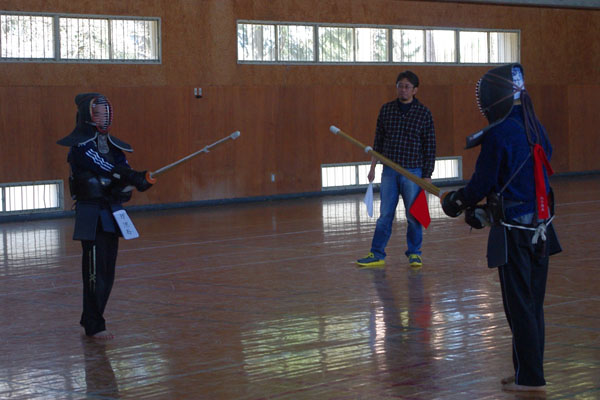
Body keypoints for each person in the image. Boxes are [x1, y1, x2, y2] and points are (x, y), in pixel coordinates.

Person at [441, 64, 561, 393]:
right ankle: (526, 369)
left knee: (519, 306)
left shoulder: (500, 133)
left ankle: (530, 378)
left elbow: (483, 181)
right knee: (532, 304)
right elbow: (540, 161)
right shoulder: (534, 125)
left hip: (515, 232)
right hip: (542, 227)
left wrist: (457, 200)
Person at [58, 93, 153, 340]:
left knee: (107, 272)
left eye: (105, 112)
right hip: (91, 214)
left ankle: (91, 317)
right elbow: (104, 166)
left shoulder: (114, 148)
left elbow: (122, 171)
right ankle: (94, 323)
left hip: (111, 212)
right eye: (98, 113)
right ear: (87, 116)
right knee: (94, 273)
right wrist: (128, 176)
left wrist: (138, 181)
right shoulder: (81, 148)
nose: (103, 117)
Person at [357, 71, 436, 268]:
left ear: (415, 90)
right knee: (385, 215)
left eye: (407, 87)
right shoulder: (387, 110)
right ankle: (377, 254)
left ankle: (415, 253)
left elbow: (430, 146)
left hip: (413, 172)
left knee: (414, 215)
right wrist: (373, 167)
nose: (403, 90)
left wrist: (427, 176)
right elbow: (378, 142)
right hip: (389, 172)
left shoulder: (424, 113)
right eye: (400, 86)